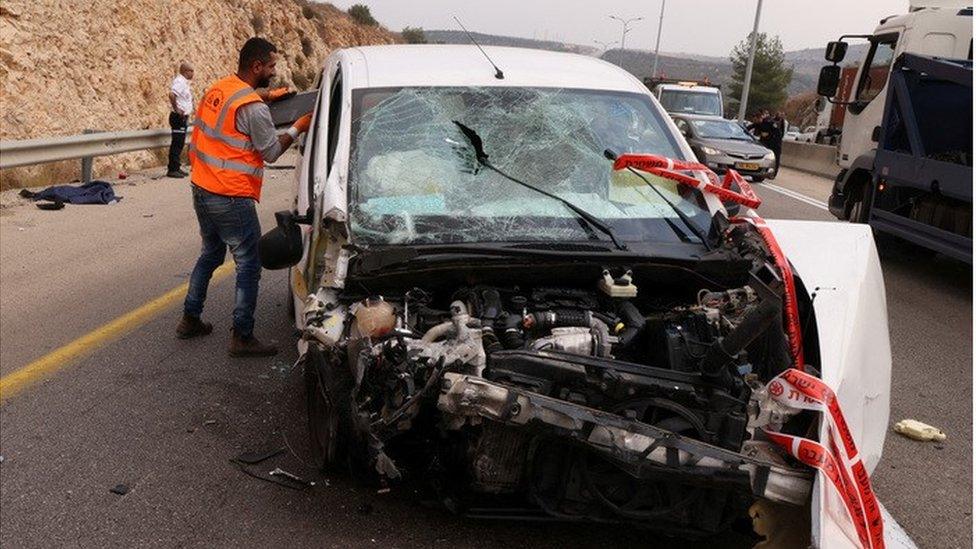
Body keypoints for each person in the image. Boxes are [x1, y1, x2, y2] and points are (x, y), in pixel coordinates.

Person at [176, 37, 313, 357]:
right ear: (256, 66)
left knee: (210, 254)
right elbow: (270, 152)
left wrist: (264, 95)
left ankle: (190, 318)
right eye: (271, 67)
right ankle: (242, 335)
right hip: (231, 196)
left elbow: (237, 107)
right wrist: (298, 127)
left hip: (202, 188)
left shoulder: (220, 87)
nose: (274, 72)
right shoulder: (252, 108)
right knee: (249, 264)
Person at [167, 62, 195, 178]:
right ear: (185, 71)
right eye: (191, 71)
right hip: (178, 117)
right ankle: (172, 169)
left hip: (182, 117)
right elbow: (172, 95)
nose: (193, 74)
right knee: (177, 143)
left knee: (180, 142)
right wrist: (177, 109)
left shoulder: (184, 82)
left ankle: (176, 167)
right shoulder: (180, 82)